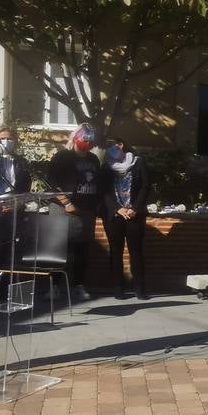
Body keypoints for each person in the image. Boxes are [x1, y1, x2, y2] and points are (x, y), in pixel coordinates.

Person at [48, 123, 101, 301]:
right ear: (76, 138)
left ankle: (79, 285)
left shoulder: (94, 159)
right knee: (58, 249)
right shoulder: (62, 157)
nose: (87, 143)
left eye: (91, 141)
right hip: (63, 209)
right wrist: (66, 202)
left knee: (82, 250)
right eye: (85, 139)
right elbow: (51, 182)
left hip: (86, 211)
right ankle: (54, 287)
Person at [101, 137, 150, 300]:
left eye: (111, 146)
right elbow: (104, 192)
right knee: (116, 252)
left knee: (136, 251)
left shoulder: (138, 162)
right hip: (115, 215)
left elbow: (145, 186)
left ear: (121, 145)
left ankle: (140, 288)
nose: (109, 149)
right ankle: (118, 288)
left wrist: (135, 208)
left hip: (134, 214)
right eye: (106, 147)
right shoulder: (106, 166)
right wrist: (117, 208)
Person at [0, 127, 32, 196]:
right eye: (2, 139)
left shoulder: (21, 161)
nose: (6, 141)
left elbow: (26, 183)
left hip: (16, 201)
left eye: (10, 139)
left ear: (15, 141)